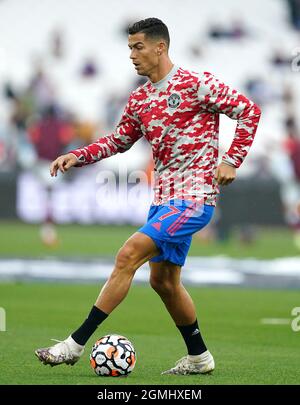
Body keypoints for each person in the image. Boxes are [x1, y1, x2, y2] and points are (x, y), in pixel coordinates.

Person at [35, 18, 261, 375]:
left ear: (160, 47)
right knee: (164, 282)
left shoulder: (196, 84)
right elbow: (119, 140)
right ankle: (200, 357)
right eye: (129, 48)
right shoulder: (140, 98)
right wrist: (80, 154)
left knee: (128, 254)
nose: (132, 55)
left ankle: (73, 345)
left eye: (138, 47)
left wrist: (230, 160)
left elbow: (249, 110)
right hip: (164, 200)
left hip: (195, 198)